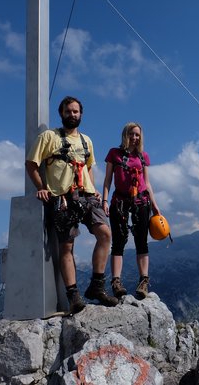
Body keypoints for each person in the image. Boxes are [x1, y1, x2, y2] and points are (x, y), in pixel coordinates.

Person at [25, 96, 118, 314]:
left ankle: (97, 286)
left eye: (76, 111)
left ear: (81, 114)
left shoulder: (87, 140)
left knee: (105, 234)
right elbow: (31, 164)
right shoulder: (49, 137)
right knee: (67, 246)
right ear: (61, 113)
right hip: (63, 196)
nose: (72, 115)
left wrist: (94, 189)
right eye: (68, 111)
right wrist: (41, 187)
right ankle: (73, 295)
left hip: (86, 195)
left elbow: (89, 167)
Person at [102, 122, 161, 300]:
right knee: (118, 242)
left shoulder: (143, 157)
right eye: (131, 134)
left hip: (141, 201)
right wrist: (104, 201)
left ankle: (143, 281)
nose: (134, 138)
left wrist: (154, 204)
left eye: (137, 135)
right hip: (119, 201)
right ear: (125, 135)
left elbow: (147, 183)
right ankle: (116, 282)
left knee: (141, 241)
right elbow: (107, 181)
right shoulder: (114, 154)